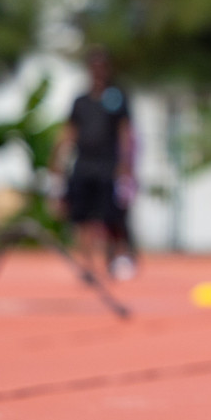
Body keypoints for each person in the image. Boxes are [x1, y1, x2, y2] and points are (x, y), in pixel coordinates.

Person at [52, 47, 136, 281]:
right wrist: (57, 159)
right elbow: (69, 132)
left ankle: (113, 260)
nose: (98, 72)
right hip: (83, 165)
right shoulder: (80, 101)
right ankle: (86, 266)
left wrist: (126, 163)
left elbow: (124, 132)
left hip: (108, 165)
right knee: (82, 218)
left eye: (102, 66)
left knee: (111, 217)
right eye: (94, 67)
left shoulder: (117, 98)